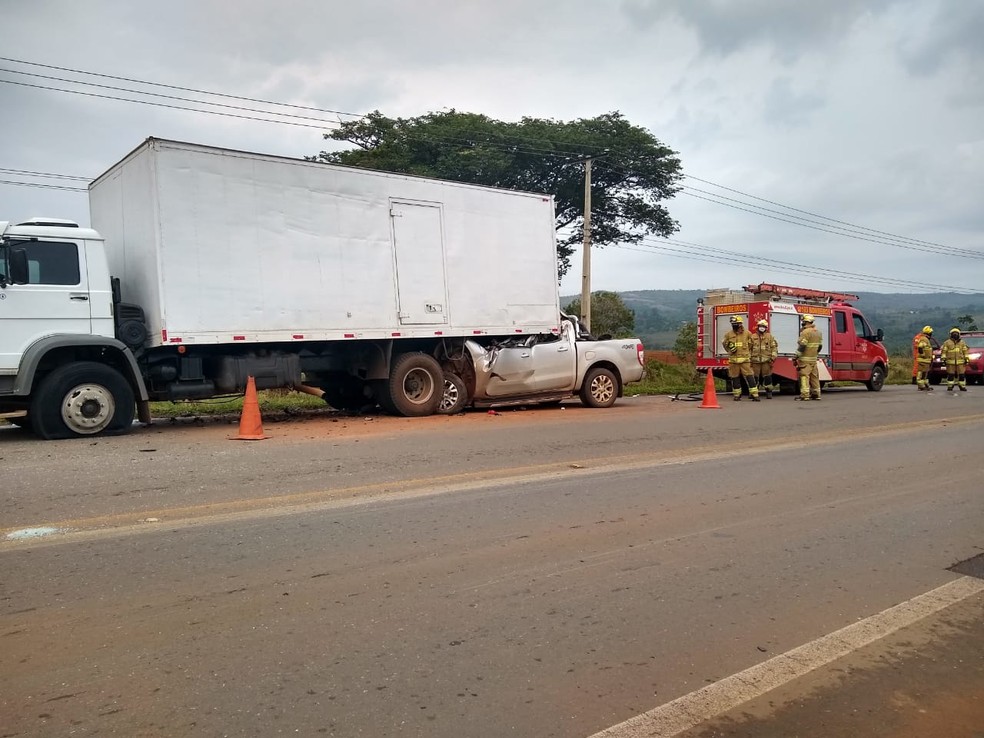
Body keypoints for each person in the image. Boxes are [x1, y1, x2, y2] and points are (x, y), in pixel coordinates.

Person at [722, 315, 760, 402]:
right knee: (734, 377)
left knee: (750, 376)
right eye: (732, 324)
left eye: (735, 323)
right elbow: (724, 343)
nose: (734, 325)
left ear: (740, 324)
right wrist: (730, 350)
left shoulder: (747, 334)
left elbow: (752, 344)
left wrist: (747, 352)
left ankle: (755, 395)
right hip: (733, 361)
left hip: (745, 361)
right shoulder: (728, 334)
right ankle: (737, 395)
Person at [794, 314, 822, 401]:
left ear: (806, 322)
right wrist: (814, 354)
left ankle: (805, 395)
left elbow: (802, 345)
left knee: (804, 376)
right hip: (813, 359)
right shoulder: (818, 332)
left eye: (803, 321)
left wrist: (796, 356)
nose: (802, 323)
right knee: (814, 377)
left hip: (805, 360)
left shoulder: (805, 332)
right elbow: (820, 346)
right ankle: (816, 394)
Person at [748, 319, 778, 398]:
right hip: (755, 361)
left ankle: (769, 392)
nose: (762, 328)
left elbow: (774, 348)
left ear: (766, 328)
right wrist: (749, 359)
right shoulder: (753, 337)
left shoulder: (770, 337)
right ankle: (753, 393)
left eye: (763, 326)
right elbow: (748, 349)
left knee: (767, 377)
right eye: (760, 326)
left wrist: (773, 358)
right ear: (758, 327)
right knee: (754, 377)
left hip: (766, 361)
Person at [939, 327, 970, 392]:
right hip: (950, 362)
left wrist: (967, 359)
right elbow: (944, 352)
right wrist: (943, 359)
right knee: (950, 375)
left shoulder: (962, 343)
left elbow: (965, 351)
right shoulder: (947, 343)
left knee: (961, 375)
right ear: (951, 334)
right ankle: (950, 386)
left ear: (959, 334)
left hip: (961, 362)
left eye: (956, 333)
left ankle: (962, 386)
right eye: (953, 333)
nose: (955, 335)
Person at [914, 325, 935, 391]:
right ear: (928, 333)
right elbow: (920, 347)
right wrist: (923, 355)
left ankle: (925, 385)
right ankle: (921, 386)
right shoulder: (924, 339)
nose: (931, 334)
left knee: (925, 373)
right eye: (931, 332)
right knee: (922, 373)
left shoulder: (926, 339)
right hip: (923, 360)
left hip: (926, 360)